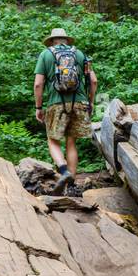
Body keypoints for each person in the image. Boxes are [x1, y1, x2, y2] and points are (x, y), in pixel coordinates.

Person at [33, 26, 97, 195]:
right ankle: (72, 187)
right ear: (67, 40)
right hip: (80, 103)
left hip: (56, 104)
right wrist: (90, 103)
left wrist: (38, 107)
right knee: (71, 142)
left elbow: (38, 84)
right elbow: (94, 81)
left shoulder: (46, 54)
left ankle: (63, 171)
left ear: (52, 41)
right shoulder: (80, 54)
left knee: (53, 140)